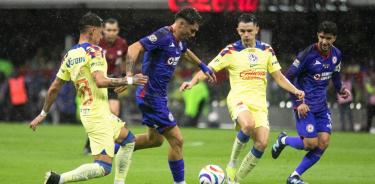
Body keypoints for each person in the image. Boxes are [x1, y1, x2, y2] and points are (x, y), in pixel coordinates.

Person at [179, 13, 304, 184]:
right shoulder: (230, 51)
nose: (246, 34)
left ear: (256, 30)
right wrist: (192, 81)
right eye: (242, 31)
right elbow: (208, 69)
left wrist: (296, 90)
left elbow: (279, 77)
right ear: (237, 31)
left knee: (262, 143)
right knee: (248, 124)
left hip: (259, 104)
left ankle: (234, 180)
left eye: (249, 31)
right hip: (238, 98)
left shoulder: (267, 50)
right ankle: (232, 163)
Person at [29, 12, 148, 184]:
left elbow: (55, 87)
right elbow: (100, 81)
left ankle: (119, 182)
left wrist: (43, 112)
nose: (102, 37)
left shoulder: (69, 55)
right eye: (100, 32)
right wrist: (130, 80)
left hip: (92, 110)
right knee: (103, 167)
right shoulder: (94, 50)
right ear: (92, 31)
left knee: (128, 141)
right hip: (97, 114)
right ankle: (58, 179)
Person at [120, 7, 216, 184]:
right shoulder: (163, 35)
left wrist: (202, 66)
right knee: (177, 140)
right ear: (180, 24)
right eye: (192, 30)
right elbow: (134, 47)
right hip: (150, 96)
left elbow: (185, 51)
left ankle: (114, 147)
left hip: (158, 96)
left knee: (154, 140)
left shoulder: (179, 40)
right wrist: (128, 76)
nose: (193, 34)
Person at [271, 21, 351, 184]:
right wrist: (298, 101)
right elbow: (288, 77)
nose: (324, 41)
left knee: (323, 143)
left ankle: (294, 177)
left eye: (328, 38)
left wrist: (340, 89)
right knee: (310, 143)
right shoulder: (306, 54)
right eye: (321, 37)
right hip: (304, 105)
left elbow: (335, 74)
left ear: (334, 38)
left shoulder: (337, 55)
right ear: (317, 36)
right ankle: (283, 140)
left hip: (321, 106)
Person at [84, 18, 129, 154]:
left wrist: (125, 76)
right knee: (99, 114)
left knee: (114, 112)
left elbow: (126, 60)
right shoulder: (97, 43)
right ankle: (91, 144)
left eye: (114, 30)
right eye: (109, 30)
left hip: (112, 81)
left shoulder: (122, 44)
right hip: (97, 81)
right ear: (103, 30)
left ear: (118, 30)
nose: (111, 33)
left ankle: (106, 143)